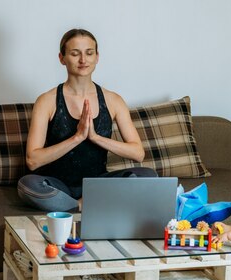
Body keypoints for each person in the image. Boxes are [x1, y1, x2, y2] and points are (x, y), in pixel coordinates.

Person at [18, 28, 157, 211]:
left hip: (97, 185)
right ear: (62, 58)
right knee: (26, 185)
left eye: (89, 53)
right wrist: (77, 137)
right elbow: (33, 160)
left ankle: (75, 206)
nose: (83, 60)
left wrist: (95, 137)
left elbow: (138, 153)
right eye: (75, 54)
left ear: (97, 57)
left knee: (149, 176)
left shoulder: (113, 100)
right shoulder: (47, 101)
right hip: (57, 185)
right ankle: (80, 205)